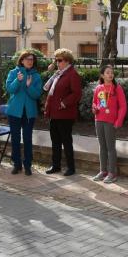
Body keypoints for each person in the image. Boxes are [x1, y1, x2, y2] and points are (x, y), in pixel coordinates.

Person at [43, 48, 82, 176]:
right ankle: (56, 165)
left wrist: (63, 103)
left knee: (66, 141)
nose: (57, 63)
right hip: (54, 113)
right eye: (56, 60)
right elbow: (49, 90)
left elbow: (76, 93)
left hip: (65, 114)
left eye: (59, 60)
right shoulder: (58, 74)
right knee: (55, 141)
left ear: (67, 61)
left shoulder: (72, 74)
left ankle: (71, 167)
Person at [5, 50, 42, 176]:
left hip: (29, 113)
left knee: (27, 138)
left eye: (32, 59)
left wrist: (28, 85)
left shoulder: (36, 76)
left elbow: (36, 94)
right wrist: (18, 81)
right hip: (14, 112)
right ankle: (16, 164)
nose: (30, 62)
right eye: (27, 59)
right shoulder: (13, 73)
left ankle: (27, 165)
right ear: (22, 60)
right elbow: (10, 89)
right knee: (15, 139)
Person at [91, 65, 127, 183]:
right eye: (107, 72)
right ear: (102, 75)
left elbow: (123, 107)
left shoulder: (117, 88)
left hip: (110, 122)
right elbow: (95, 104)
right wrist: (95, 108)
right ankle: (103, 171)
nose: (110, 74)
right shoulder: (98, 88)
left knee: (110, 147)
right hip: (99, 120)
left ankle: (112, 173)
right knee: (102, 147)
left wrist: (118, 121)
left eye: (111, 73)